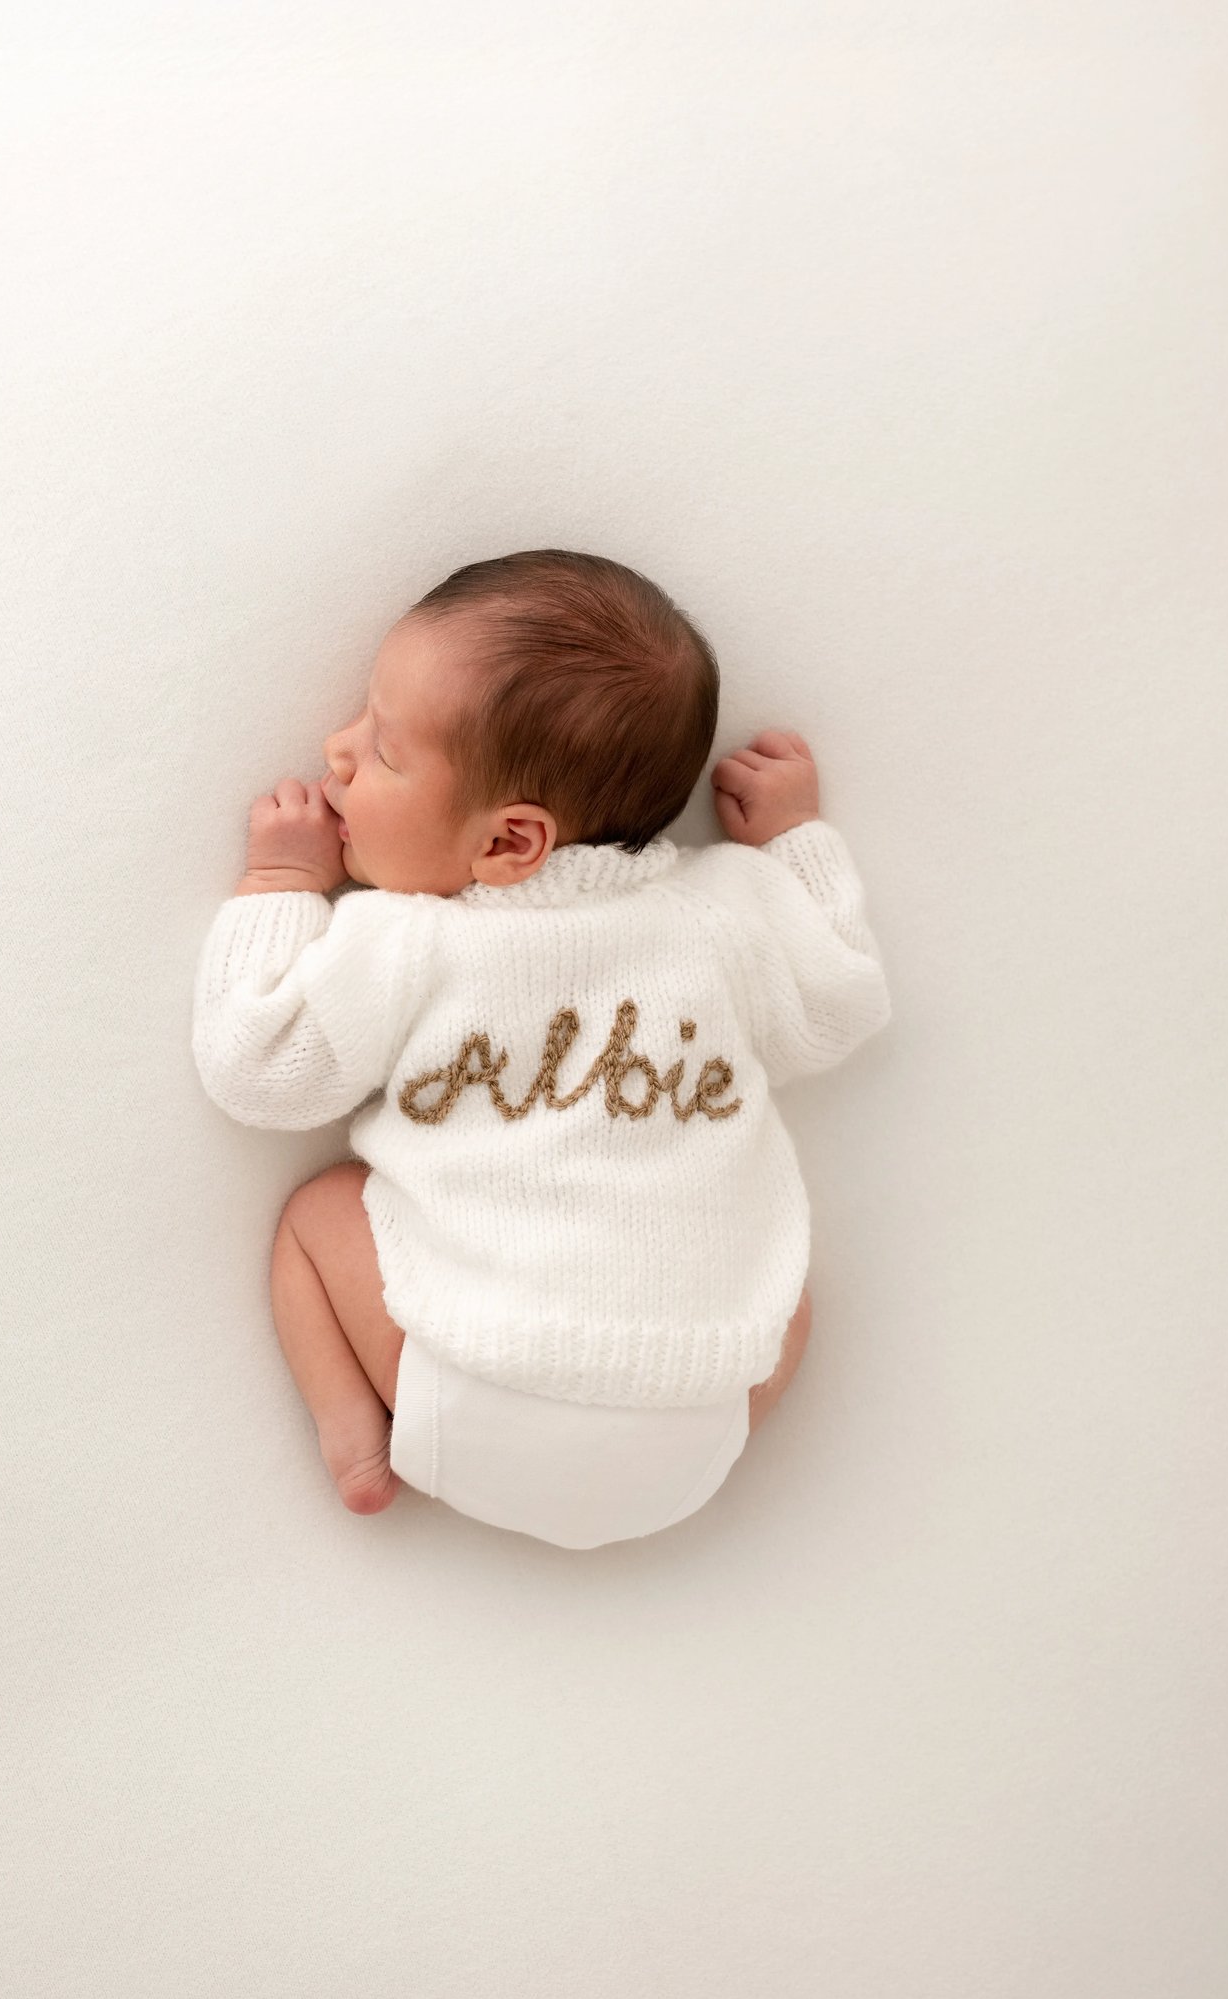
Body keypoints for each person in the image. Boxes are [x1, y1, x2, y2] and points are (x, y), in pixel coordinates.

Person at [192, 549, 891, 1549]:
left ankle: (354, 1434)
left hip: (457, 1394)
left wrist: (278, 885)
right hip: (696, 1434)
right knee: (787, 1299)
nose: (335, 749)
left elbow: (256, 1070)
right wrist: (794, 842)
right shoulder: (721, 915)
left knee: (313, 1215)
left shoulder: (408, 942)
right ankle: (648, 1457)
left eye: (384, 751)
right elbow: (838, 1002)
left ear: (512, 843)